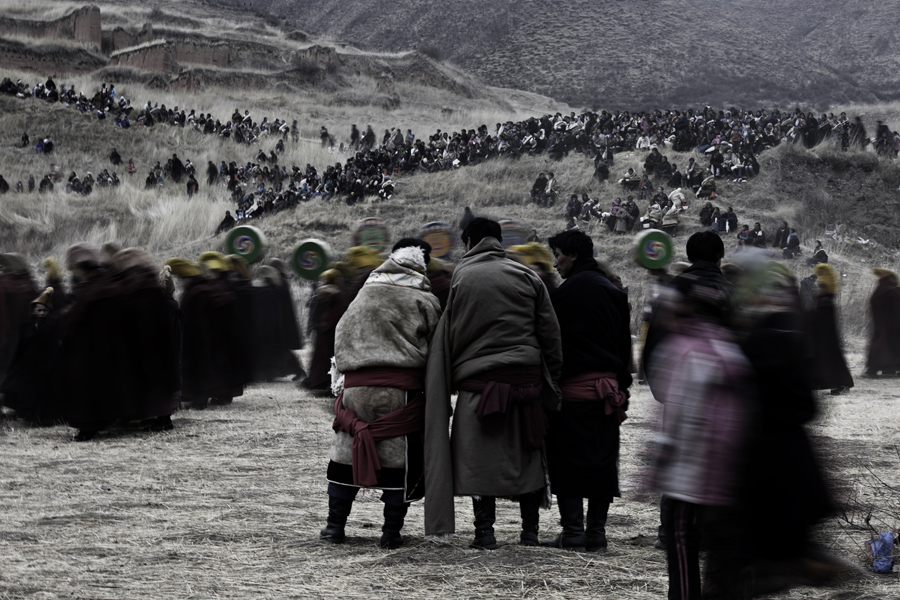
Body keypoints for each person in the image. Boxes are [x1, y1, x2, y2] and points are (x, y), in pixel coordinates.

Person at [424, 218, 563, 548]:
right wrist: (551, 381)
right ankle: (529, 532)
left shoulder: (462, 276)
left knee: (478, 460)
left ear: (469, 242)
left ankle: (484, 532)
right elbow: (550, 335)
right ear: (499, 241)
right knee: (527, 457)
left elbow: (451, 334)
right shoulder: (527, 275)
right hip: (525, 385)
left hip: (478, 386)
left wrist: (450, 374)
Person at [645, 231, 750, 599]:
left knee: (680, 503)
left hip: (683, 404)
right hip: (731, 412)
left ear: (689, 256)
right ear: (720, 257)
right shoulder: (734, 293)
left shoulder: (674, 291)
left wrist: (667, 395)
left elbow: (653, 350)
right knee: (724, 506)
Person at [321, 239, 441, 549]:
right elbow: (436, 347)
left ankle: (334, 526)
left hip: (356, 389)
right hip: (400, 391)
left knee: (346, 453)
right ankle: (390, 533)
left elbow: (340, 333)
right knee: (399, 461)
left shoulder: (364, 292)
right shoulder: (424, 298)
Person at [541, 229, 632, 552]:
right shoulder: (614, 292)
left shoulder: (563, 295)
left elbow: (552, 347)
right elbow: (624, 351)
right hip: (607, 394)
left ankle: (572, 532)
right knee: (602, 462)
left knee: (566, 460)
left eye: (558, 256)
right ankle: (596, 534)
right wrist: (623, 390)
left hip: (572, 393)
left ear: (574, 255)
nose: (556, 264)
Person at [0, 286, 60, 424]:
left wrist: (50, 363)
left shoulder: (51, 325)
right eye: (39, 310)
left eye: (44, 311)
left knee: (39, 390)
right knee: (20, 387)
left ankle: (37, 415)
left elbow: (52, 346)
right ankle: (22, 411)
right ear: (33, 310)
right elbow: (21, 346)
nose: (42, 313)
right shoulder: (26, 326)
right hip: (27, 363)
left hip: (43, 363)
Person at [804, 264, 853, 394]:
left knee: (830, 363)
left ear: (825, 287)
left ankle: (842, 384)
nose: (817, 288)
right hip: (820, 340)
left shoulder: (825, 302)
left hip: (824, 340)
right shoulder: (821, 300)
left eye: (820, 286)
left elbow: (825, 324)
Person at [865, 268, 900, 377]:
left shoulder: (881, 289)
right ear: (891, 278)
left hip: (881, 325)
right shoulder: (891, 291)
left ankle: (885, 369)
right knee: (890, 346)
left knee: (882, 346)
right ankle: (887, 369)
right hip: (891, 325)